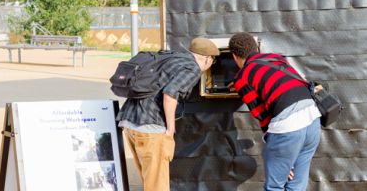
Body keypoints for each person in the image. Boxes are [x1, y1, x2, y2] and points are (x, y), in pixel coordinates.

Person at [117, 38, 220, 191]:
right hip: (150, 128)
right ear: (207, 59)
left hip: (130, 122)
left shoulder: (171, 57)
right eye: (213, 61)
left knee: (149, 182)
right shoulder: (192, 68)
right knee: (157, 186)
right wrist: (170, 129)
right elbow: (170, 95)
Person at [228, 32, 321, 191]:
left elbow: (261, 114)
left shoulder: (242, 77)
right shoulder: (276, 58)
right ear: (255, 47)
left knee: (274, 187)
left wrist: (280, 152)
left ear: (234, 56)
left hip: (288, 127)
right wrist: (286, 158)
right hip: (313, 120)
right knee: (296, 186)